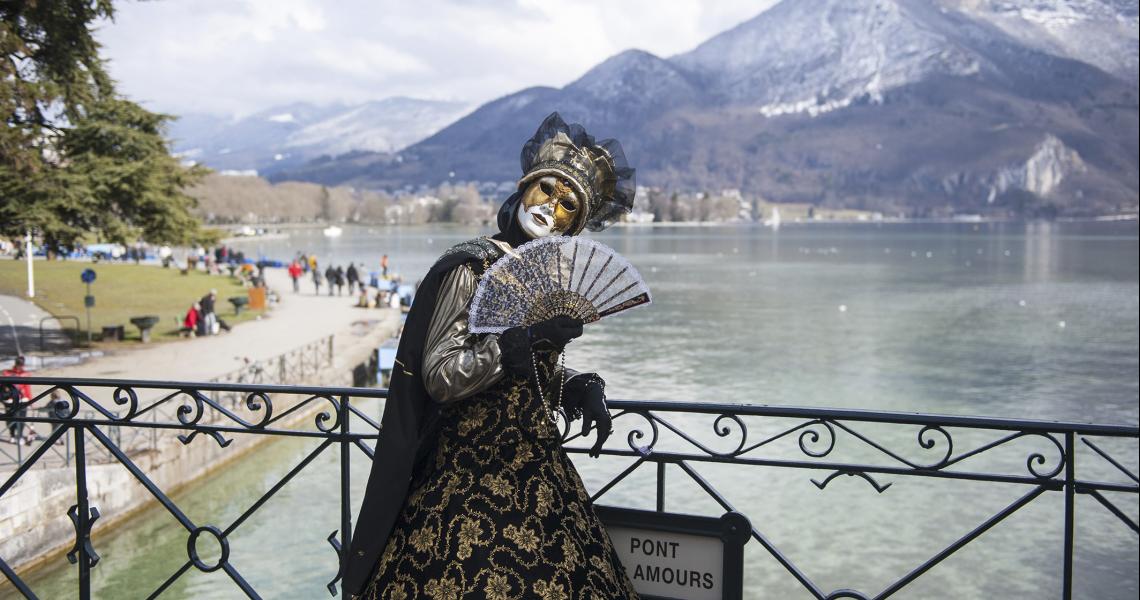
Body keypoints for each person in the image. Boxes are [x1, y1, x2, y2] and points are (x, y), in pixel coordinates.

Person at [346, 112, 638, 599]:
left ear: (576, 226)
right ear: (525, 187)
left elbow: (527, 379)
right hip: (464, 479)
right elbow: (440, 375)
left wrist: (576, 387)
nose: (552, 207)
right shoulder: (472, 267)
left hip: (542, 482)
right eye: (547, 189)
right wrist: (521, 343)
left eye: (569, 205)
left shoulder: (549, 283)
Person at [2, 356, 35, 445]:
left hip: (22, 400)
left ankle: (19, 436)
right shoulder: (6, 373)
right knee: (10, 418)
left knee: (21, 418)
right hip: (10, 400)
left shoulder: (26, 374)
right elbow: (3, 387)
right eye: (19, 364)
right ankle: (12, 435)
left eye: (21, 364)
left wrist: (31, 401)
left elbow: (28, 389)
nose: (20, 366)